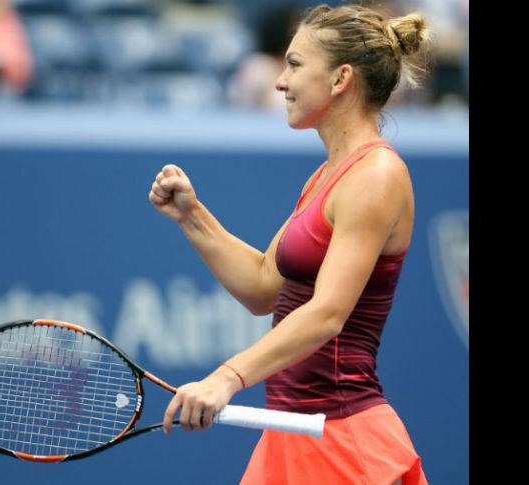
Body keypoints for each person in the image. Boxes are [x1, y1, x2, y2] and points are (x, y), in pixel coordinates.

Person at [149, 3, 430, 484]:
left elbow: (327, 313)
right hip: (293, 436)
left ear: (341, 79)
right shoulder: (326, 177)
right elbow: (263, 288)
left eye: (295, 65)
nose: (280, 81)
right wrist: (192, 217)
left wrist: (226, 377)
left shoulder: (376, 176)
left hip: (344, 441)